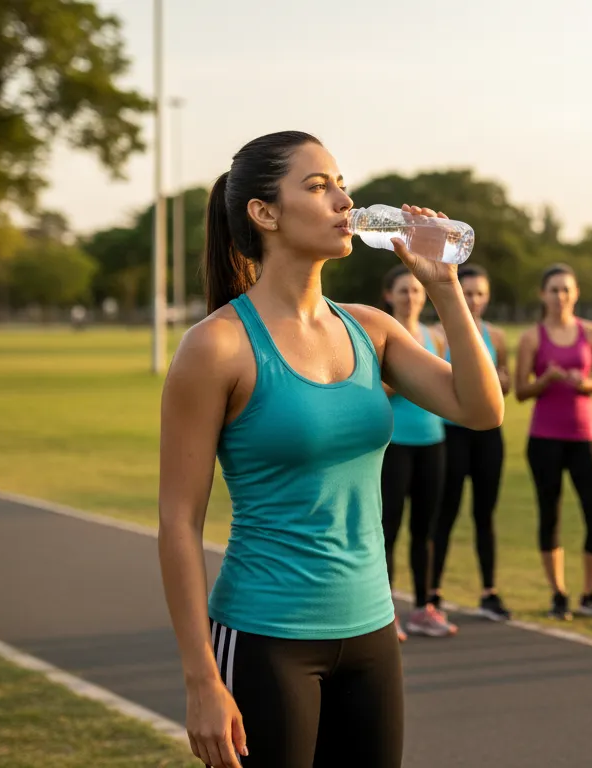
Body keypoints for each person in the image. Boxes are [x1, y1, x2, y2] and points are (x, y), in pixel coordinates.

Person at [157, 130, 503, 768]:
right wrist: (202, 681)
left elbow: (481, 410)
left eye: (342, 183)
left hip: (371, 631)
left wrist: (446, 287)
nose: (345, 200)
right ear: (265, 214)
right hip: (266, 636)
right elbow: (179, 522)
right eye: (318, 186)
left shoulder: (371, 328)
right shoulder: (218, 346)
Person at [515, 263, 592, 622]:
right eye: (553, 289)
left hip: (582, 437)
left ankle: (591, 593)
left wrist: (581, 382)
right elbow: (521, 391)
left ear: (576, 294)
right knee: (551, 515)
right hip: (544, 438)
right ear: (542, 295)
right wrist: (546, 380)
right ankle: (558, 593)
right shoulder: (532, 337)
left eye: (566, 290)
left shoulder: (591, 333)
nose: (560, 296)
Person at [428, 264, 513, 622]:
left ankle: (489, 592)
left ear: (488, 296)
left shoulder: (497, 336)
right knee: (443, 514)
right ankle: (432, 591)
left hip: (487, 435)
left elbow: (503, 383)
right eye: (469, 292)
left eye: (480, 293)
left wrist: (498, 380)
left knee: (484, 514)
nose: (474, 300)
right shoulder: (436, 334)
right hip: (450, 432)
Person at [379, 263, 458, 640]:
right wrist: (407, 382)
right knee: (387, 529)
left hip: (433, 442)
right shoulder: (382, 336)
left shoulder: (435, 338)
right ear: (388, 296)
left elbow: (444, 387)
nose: (409, 297)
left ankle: (424, 608)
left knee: (425, 530)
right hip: (394, 446)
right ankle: (385, 612)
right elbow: (373, 390)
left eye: (414, 290)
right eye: (402, 291)